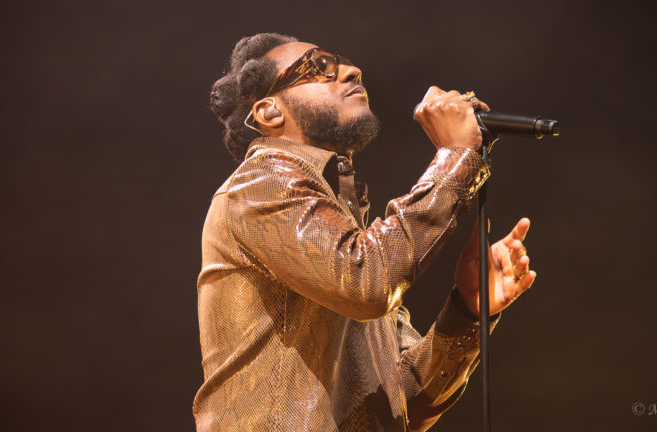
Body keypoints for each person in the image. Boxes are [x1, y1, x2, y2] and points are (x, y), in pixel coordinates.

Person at [193, 33, 536, 432]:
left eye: (341, 62)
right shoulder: (259, 184)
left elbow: (402, 402)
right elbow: (366, 282)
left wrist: (466, 311)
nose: (352, 70)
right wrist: (455, 159)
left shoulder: (340, 228)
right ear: (269, 112)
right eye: (319, 67)